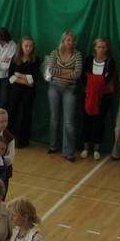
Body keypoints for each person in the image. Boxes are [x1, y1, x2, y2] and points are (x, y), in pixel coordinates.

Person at [45, 30, 82, 162]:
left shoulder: (77, 55)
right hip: (54, 87)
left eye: (72, 40)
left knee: (69, 122)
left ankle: (68, 151)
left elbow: (77, 73)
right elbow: (50, 70)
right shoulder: (54, 53)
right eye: (68, 40)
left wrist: (61, 73)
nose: (70, 42)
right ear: (63, 41)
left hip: (70, 89)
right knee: (54, 118)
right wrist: (67, 73)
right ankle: (53, 145)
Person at [79, 38, 115, 159]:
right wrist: (94, 83)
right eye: (99, 47)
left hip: (103, 96)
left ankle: (96, 149)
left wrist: (95, 82)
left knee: (99, 122)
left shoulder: (110, 61)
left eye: (103, 47)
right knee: (86, 120)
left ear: (107, 49)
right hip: (88, 95)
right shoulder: (89, 60)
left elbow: (107, 79)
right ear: (94, 47)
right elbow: (84, 76)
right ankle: (85, 148)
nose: (101, 49)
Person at [6, 36, 38, 148]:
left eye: (30, 46)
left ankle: (23, 140)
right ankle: (8, 139)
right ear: (21, 47)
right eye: (26, 46)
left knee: (26, 115)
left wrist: (18, 75)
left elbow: (32, 81)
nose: (28, 48)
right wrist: (26, 79)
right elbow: (11, 78)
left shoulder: (35, 60)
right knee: (12, 113)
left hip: (29, 93)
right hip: (15, 91)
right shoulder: (15, 59)